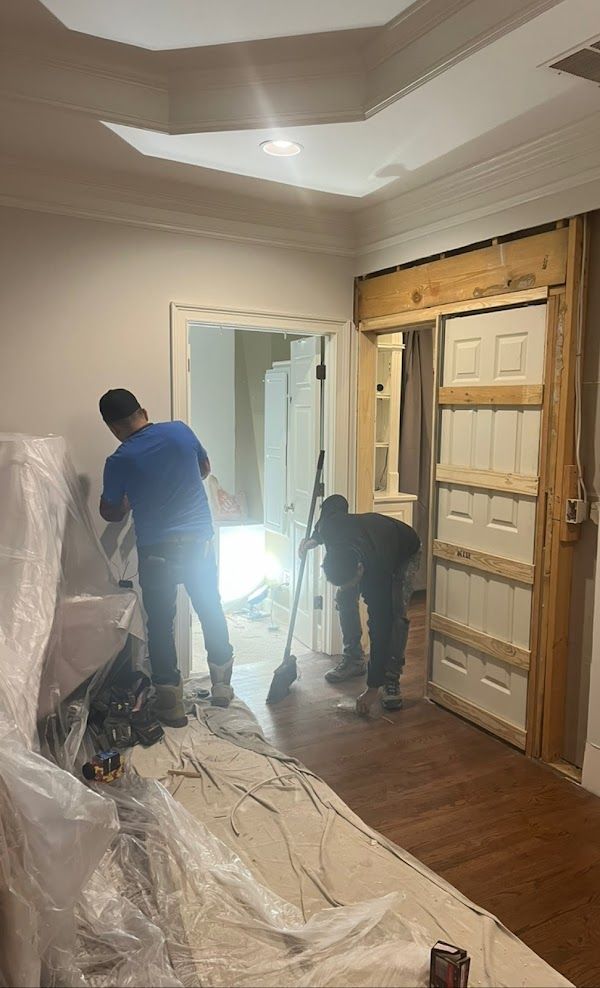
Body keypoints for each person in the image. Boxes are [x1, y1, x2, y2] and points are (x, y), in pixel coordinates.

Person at [98, 388, 233, 728]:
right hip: (198, 543)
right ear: (143, 410)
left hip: (157, 549)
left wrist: (131, 497)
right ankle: (222, 686)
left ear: (113, 428)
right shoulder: (180, 431)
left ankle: (171, 704)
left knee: (160, 622)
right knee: (209, 607)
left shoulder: (119, 459)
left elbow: (111, 512)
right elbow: (203, 468)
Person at [300, 495, 421, 714]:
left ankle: (390, 680)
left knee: (394, 615)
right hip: (368, 542)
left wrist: (372, 687)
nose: (351, 586)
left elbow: (378, 627)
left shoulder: (379, 568)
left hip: (403, 549)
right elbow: (336, 501)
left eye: (352, 583)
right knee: (344, 598)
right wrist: (315, 538)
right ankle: (354, 660)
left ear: (360, 569)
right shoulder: (330, 528)